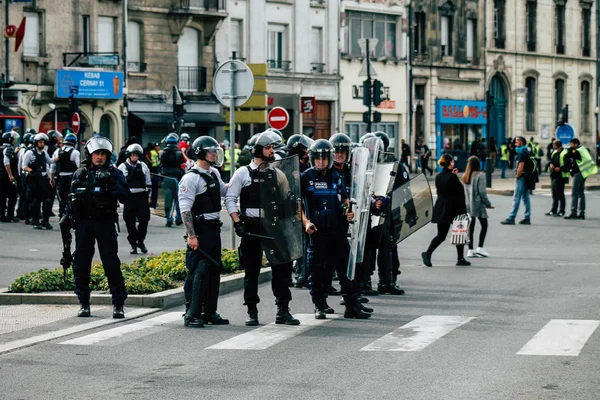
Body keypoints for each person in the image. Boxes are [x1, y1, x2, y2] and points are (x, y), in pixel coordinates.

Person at [226, 131, 301, 326]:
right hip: (251, 229)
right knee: (252, 271)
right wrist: (237, 221)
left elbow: (288, 198)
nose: (271, 151)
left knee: (282, 269)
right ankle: (251, 310)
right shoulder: (243, 173)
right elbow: (230, 198)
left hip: (274, 228)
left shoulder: (277, 173)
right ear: (257, 150)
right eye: (268, 148)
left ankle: (283, 310)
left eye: (272, 148)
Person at [301, 139, 371, 319]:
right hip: (317, 232)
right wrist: (306, 222)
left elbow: (345, 200)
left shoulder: (336, 176)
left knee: (346, 269)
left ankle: (351, 305)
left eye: (325, 158)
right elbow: (297, 205)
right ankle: (320, 305)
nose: (321, 162)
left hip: (338, 230)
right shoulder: (305, 177)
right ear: (312, 158)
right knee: (319, 271)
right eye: (318, 158)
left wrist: (349, 211)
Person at [69, 136, 130, 318]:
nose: (100, 157)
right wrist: (66, 216)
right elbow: (70, 196)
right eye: (97, 153)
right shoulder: (81, 173)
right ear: (90, 154)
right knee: (81, 264)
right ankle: (84, 303)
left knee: (111, 263)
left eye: (103, 154)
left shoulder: (115, 173)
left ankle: (118, 304)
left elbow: (124, 196)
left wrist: (109, 183)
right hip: (84, 224)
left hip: (105, 223)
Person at [179, 136, 229, 328]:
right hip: (200, 231)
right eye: (211, 151)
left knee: (214, 270)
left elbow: (225, 192)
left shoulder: (214, 173)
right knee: (199, 271)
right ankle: (192, 314)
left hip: (214, 229)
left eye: (215, 151)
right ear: (200, 153)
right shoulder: (190, 178)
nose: (214, 154)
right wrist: (192, 236)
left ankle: (209, 311)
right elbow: (185, 210)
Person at [421, 153, 470, 267]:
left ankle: (427, 253)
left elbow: (445, 188)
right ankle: (460, 258)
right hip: (455, 208)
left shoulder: (439, 176)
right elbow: (459, 194)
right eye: (452, 161)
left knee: (441, 235)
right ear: (450, 163)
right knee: (459, 233)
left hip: (441, 207)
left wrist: (452, 175)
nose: (453, 163)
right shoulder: (452, 177)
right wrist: (463, 211)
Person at [118, 144, 152, 254]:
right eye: (133, 155)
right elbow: (120, 183)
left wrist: (149, 196)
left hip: (142, 196)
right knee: (129, 221)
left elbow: (148, 182)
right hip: (130, 197)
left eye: (137, 155)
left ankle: (141, 241)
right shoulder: (122, 167)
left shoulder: (143, 166)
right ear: (129, 155)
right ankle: (133, 244)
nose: (135, 158)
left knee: (144, 220)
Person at [21, 133, 55, 229]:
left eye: (43, 142)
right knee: (35, 202)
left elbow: (50, 162)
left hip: (43, 180)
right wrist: (31, 171)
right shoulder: (29, 153)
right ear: (35, 143)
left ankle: (45, 221)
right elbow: (23, 166)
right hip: (34, 180)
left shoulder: (44, 153)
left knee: (47, 201)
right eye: (40, 142)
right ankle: (35, 221)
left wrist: (59, 156)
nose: (42, 144)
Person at [462, 156, 494, 258]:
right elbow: (482, 192)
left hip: (467, 204)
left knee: (471, 227)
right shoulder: (480, 175)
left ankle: (470, 250)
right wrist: (488, 204)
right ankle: (480, 248)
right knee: (484, 225)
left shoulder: (465, 176)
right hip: (477, 204)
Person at [500, 136, 534, 225]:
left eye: (517, 141)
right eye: (515, 141)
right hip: (527, 177)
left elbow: (521, 166)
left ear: (522, 142)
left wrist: (518, 176)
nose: (515, 142)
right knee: (525, 197)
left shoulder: (522, 153)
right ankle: (527, 217)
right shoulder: (526, 151)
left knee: (516, 197)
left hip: (522, 177)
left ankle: (511, 217)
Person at [564, 138, 598, 219]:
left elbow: (569, 155)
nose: (571, 146)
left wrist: (569, 150)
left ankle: (573, 212)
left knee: (575, 193)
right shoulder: (583, 149)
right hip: (583, 173)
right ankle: (582, 213)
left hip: (579, 173)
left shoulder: (578, 150)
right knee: (581, 193)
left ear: (576, 144)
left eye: (572, 144)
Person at [52, 133, 80, 218]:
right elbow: (78, 167)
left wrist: (51, 178)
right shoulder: (75, 152)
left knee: (62, 199)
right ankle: (71, 214)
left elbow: (52, 166)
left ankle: (62, 214)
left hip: (60, 178)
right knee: (72, 197)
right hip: (71, 178)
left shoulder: (57, 151)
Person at [160, 133, 184, 227]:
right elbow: (182, 162)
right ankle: (179, 218)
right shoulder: (179, 153)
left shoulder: (162, 153)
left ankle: (168, 218)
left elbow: (161, 163)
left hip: (166, 178)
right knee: (178, 200)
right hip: (178, 178)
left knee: (168, 199)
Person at [545, 140, 568, 217]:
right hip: (553, 175)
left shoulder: (564, 153)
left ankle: (561, 211)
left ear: (557, 145)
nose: (553, 146)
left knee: (560, 194)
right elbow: (550, 161)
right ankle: (553, 210)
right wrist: (550, 164)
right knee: (554, 194)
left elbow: (568, 164)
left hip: (560, 176)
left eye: (554, 144)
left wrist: (560, 168)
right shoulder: (554, 153)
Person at [0, 132, 20, 222]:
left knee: (2, 196)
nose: (14, 141)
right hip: (5, 176)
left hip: (1, 175)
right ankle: (10, 216)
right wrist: (10, 175)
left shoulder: (1, 148)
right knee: (13, 195)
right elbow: (6, 162)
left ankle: (2, 215)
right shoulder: (8, 149)